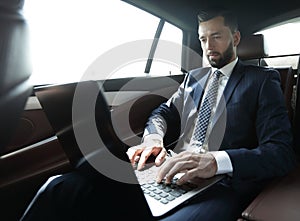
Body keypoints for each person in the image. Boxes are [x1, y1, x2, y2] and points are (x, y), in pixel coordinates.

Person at [21, 8, 296, 221]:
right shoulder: (194, 79)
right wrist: (153, 138)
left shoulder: (261, 80)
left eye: (217, 36)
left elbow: (281, 153)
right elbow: (163, 112)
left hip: (220, 185)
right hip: (168, 171)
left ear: (235, 38)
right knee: (60, 187)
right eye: (203, 38)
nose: (208, 45)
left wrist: (214, 161)